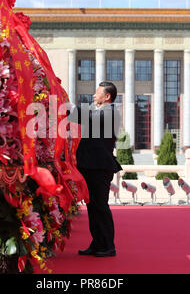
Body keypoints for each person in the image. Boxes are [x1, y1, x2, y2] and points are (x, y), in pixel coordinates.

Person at [67, 81, 122, 257]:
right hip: (90, 165)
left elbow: (83, 116)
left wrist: (66, 105)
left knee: (100, 206)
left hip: (100, 167)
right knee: (92, 206)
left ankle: (107, 246)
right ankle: (97, 243)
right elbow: (76, 118)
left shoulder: (111, 112)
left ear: (107, 97)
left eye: (97, 92)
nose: (93, 95)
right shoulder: (97, 111)